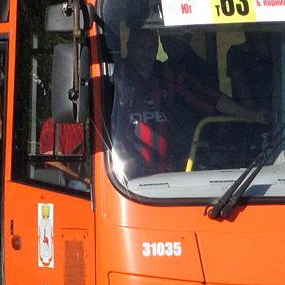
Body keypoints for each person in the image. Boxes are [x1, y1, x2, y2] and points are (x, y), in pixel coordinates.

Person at [113, 27, 266, 177]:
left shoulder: (169, 74)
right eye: (141, 47)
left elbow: (210, 97)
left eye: (151, 47)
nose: (146, 53)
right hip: (125, 175)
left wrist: (251, 114)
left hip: (166, 173)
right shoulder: (114, 75)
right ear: (129, 47)